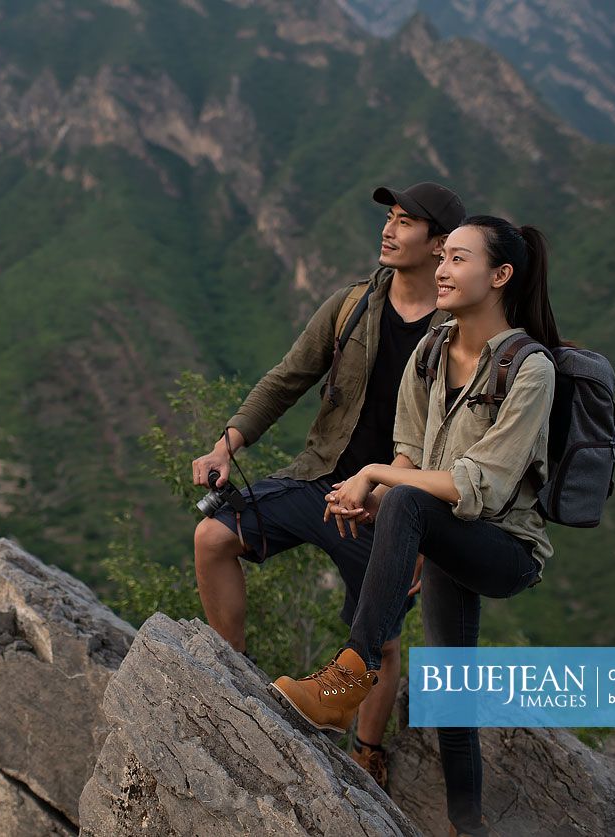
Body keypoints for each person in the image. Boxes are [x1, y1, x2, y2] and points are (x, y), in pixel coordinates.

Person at [270, 215, 559, 837]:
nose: (444, 270)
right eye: (444, 257)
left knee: (403, 502)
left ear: (501, 275)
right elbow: (409, 450)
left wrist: (378, 478)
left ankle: (349, 676)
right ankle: (468, 825)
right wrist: (383, 493)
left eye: (459, 259)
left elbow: (476, 485)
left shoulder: (530, 370)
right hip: (438, 526)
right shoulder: (433, 348)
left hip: (505, 548)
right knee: (453, 688)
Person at [191, 182, 466, 787]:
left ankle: (366, 753)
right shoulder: (352, 307)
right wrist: (226, 443)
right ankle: (231, 680)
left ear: (441, 244)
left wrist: (421, 531)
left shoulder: (460, 331)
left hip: (392, 507)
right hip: (319, 479)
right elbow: (286, 379)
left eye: (405, 223)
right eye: (388, 219)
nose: (389, 231)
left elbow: (463, 445)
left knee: (381, 642)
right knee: (212, 537)